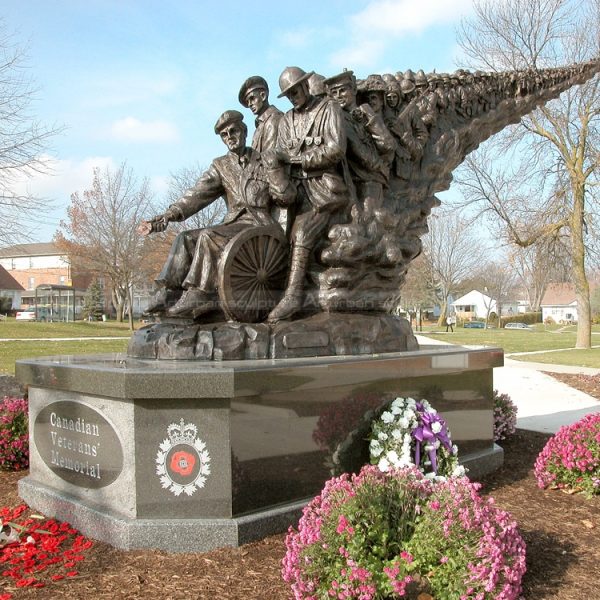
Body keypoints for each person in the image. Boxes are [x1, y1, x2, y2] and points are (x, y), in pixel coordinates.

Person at [144, 110, 292, 319]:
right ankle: (168, 292)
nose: (230, 137)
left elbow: (285, 196)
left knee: (209, 236)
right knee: (185, 238)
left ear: (244, 131)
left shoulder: (263, 160)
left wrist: (276, 176)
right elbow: (197, 194)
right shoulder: (221, 165)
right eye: (224, 135)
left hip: (259, 225)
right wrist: (169, 215)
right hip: (233, 224)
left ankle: (200, 292)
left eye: (233, 131)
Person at [267, 66, 351, 323]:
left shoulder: (328, 109)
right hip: (294, 189)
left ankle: (293, 296)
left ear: (305, 85)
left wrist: (302, 159)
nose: (293, 96)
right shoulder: (286, 121)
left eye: (295, 90)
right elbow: (279, 151)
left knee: (302, 232)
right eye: (288, 94)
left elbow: (337, 148)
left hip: (323, 188)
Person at [324, 69, 395, 206]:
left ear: (354, 89)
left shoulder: (367, 112)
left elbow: (389, 145)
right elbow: (359, 151)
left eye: (342, 90)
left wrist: (370, 117)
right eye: (334, 92)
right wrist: (380, 167)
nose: (338, 96)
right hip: (351, 179)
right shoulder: (338, 119)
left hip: (370, 179)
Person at [238, 75, 282, 153]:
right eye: (247, 101)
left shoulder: (274, 119)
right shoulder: (259, 126)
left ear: (263, 96)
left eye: (252, 98)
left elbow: (268, 157)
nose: (249, 104)